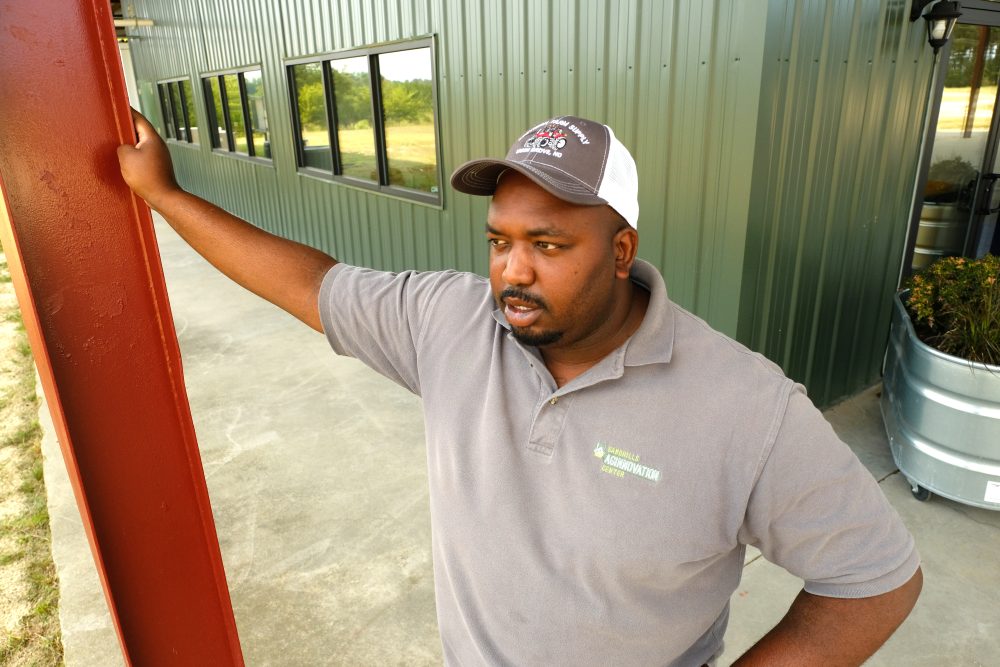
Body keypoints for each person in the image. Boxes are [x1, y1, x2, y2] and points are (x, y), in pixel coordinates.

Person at [118, 111, 921, 666]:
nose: (512, 270)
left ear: (619, 249)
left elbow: (875, 578)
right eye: (499, 240)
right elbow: (311, 284)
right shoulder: (448, 321)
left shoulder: (748, 407)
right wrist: (166, 196)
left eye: (548, 243)